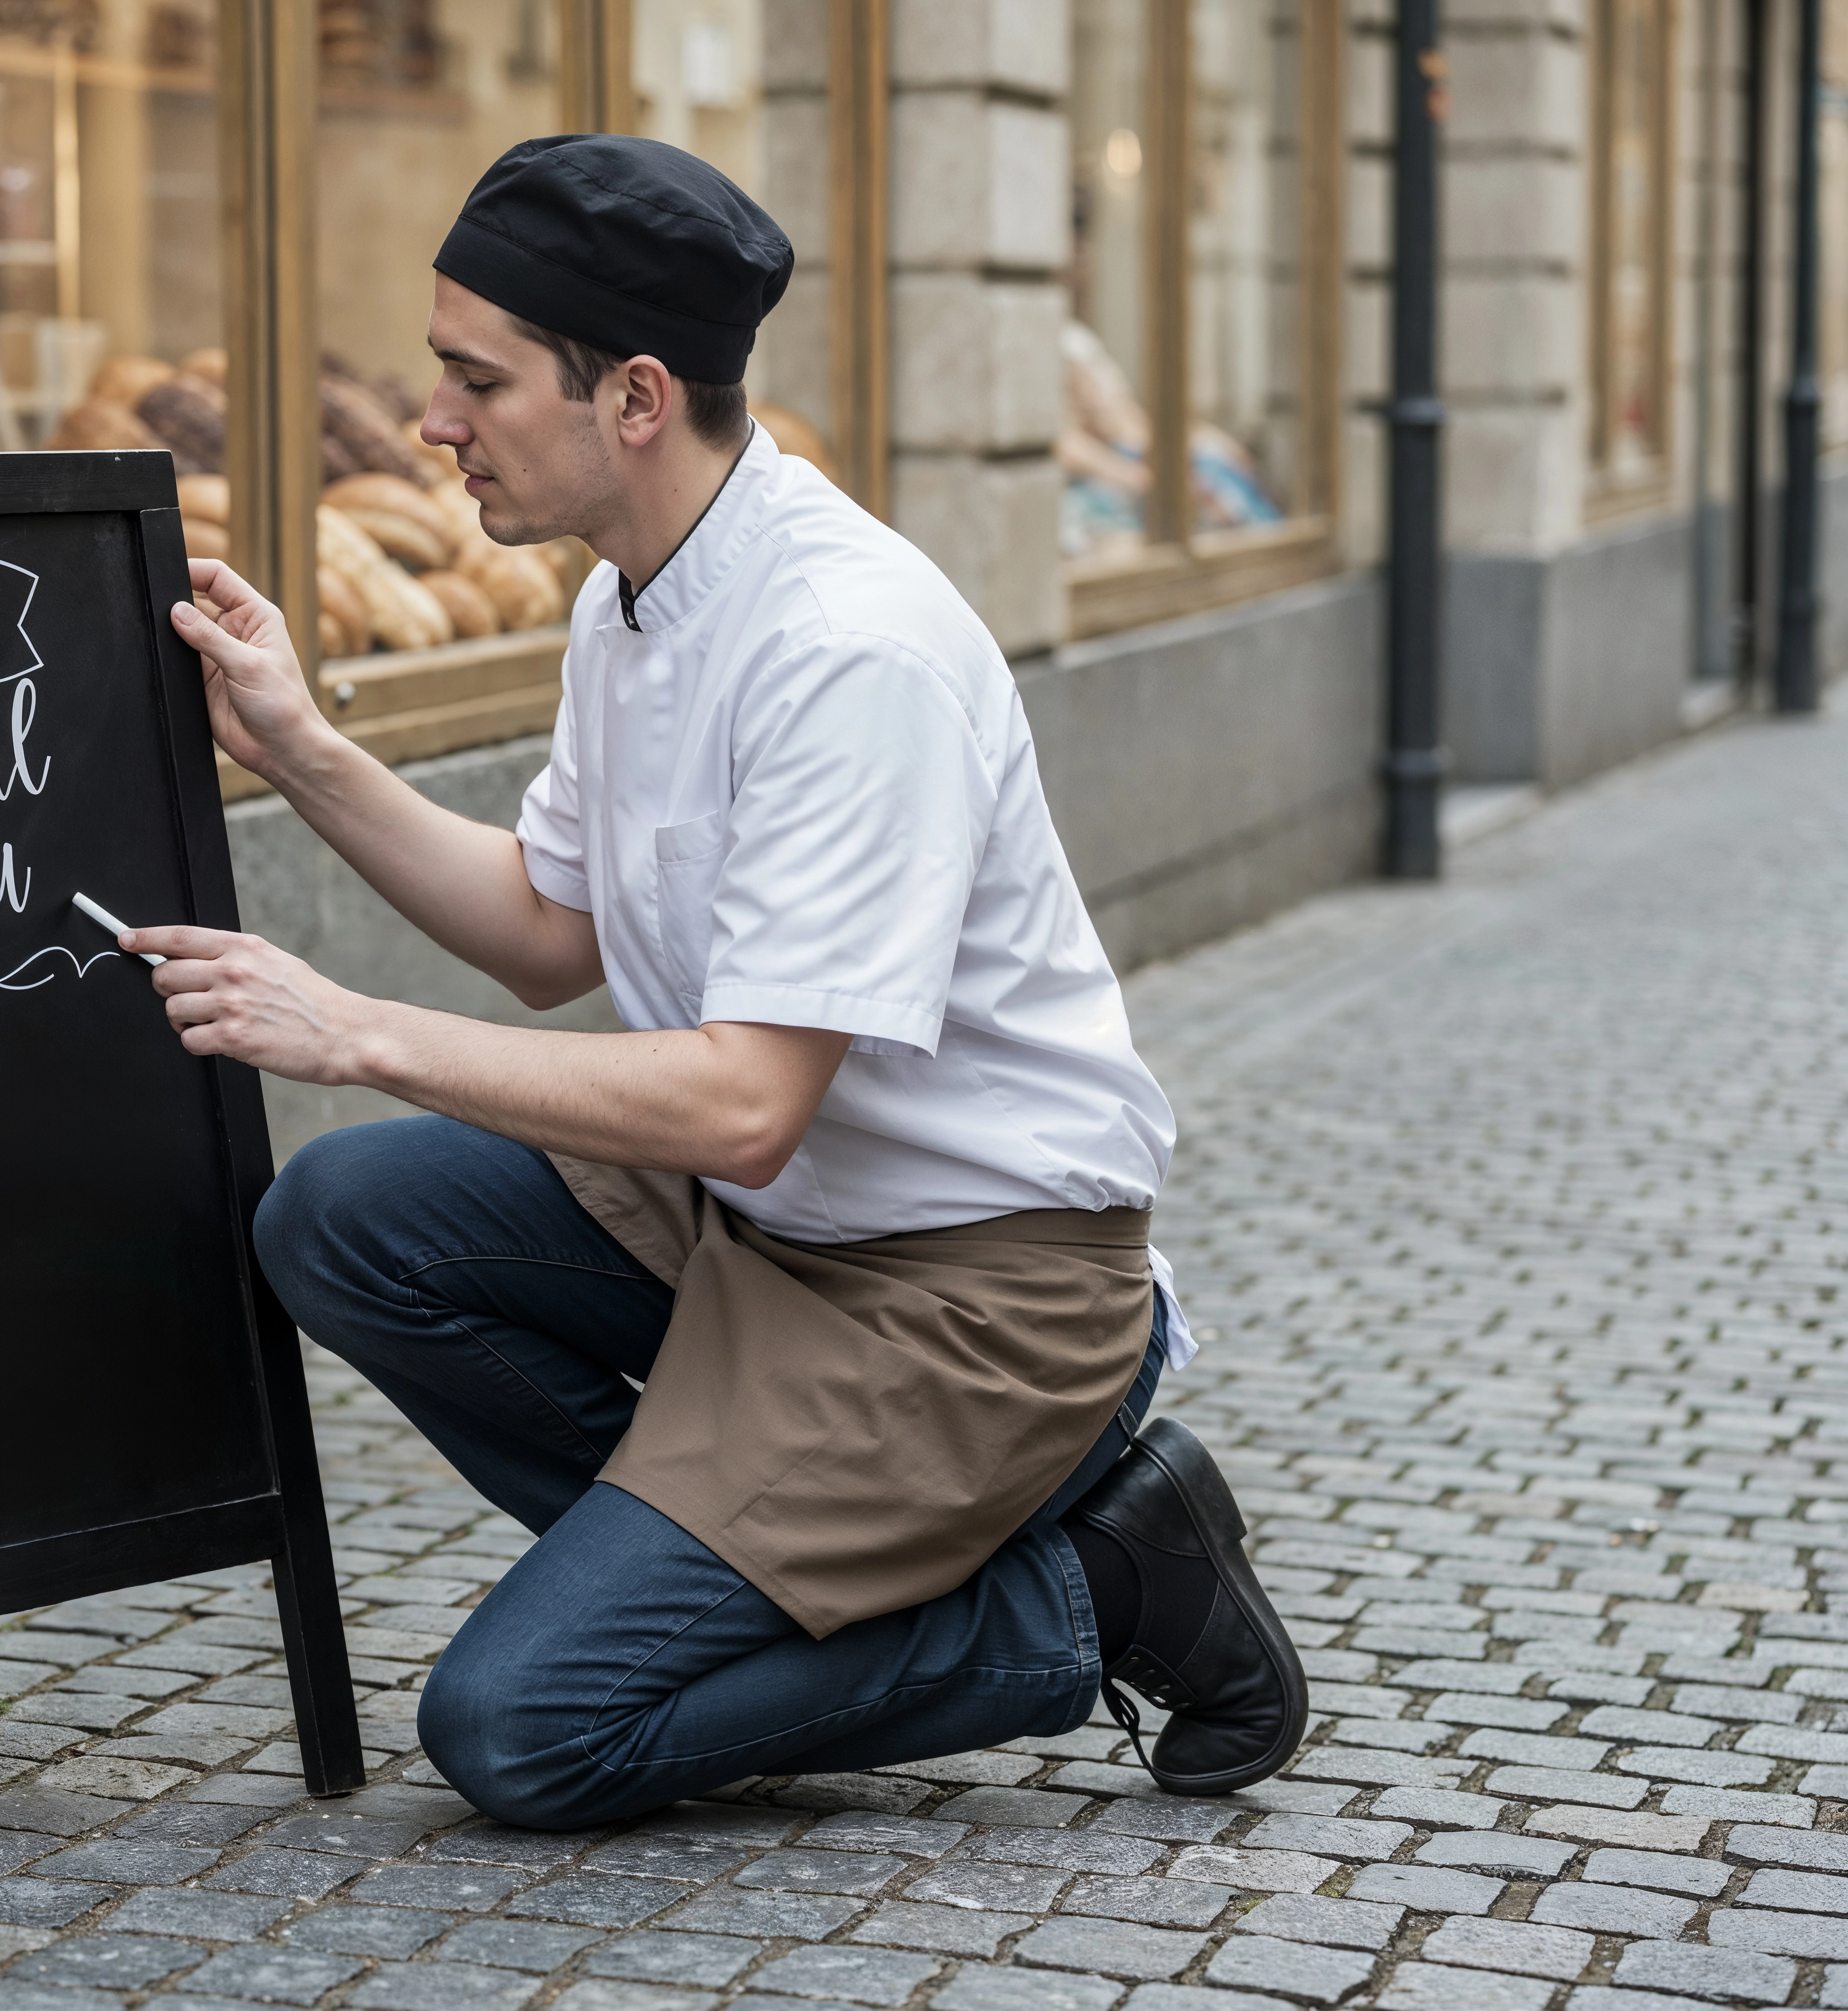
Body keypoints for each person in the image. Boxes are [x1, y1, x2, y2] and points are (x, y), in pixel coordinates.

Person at [110, 134, 1306, 1830]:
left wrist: (361, 1031)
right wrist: (302, 748)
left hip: (974, 1301)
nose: (433, 418)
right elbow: (548, 930)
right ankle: (725, 1554)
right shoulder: (634, 595)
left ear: (638, 399)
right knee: (341, 1222)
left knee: (521, 1731)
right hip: (774, 1229)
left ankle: (1097, 1596)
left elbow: (745, 1106)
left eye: (476, 378)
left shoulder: (846, 649)